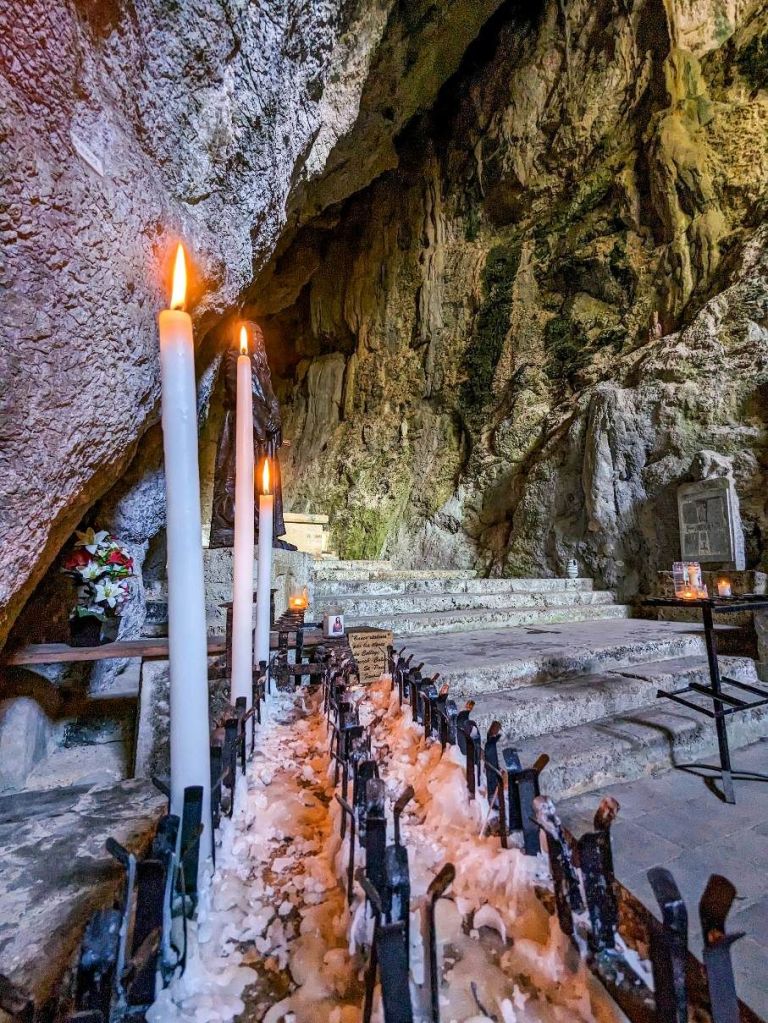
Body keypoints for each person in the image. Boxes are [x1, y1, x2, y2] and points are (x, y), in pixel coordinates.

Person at [210, 321, 295, 549]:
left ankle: (264, 530)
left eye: (260, 336)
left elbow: (269, 398)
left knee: (262, 481)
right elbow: (241, 395)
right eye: (253, 335)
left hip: (262, 434)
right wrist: (262, 422)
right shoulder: (233, 361)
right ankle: (235, 528)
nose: (259, 340)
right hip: (243, 431)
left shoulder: (262, 370)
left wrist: (274, 419)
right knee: (240, 477)